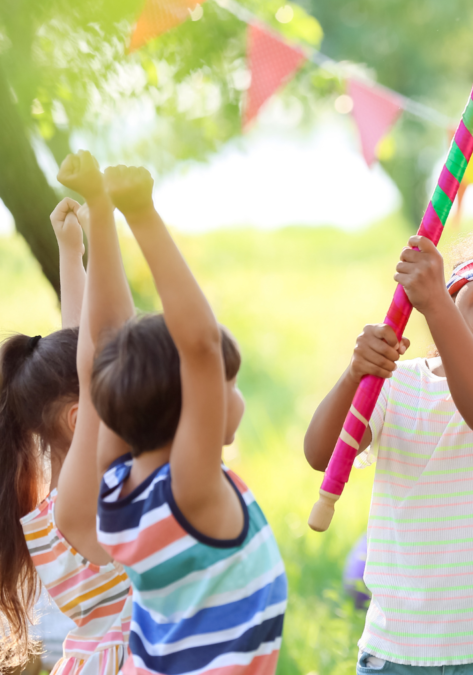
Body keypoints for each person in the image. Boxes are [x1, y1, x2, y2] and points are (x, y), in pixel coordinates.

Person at [305, 223, 473, 673]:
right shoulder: (397, 382)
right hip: (394, 649)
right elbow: (322, 454)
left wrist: (434, 305)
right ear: (460, 286)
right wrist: (356, 374)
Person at [53, 156, 287, 675]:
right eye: (227, 384)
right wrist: (140, 214)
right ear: (193, 410)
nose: (232, 392)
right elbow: (200, 346)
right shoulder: (192, 495)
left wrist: (99, 208)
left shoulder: (117, 493)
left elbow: (101, 349)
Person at [3, 193, 132, 675]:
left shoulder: (59, 498)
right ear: (82, 418)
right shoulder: (88, 495)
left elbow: (84, 349)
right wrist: (103, 227)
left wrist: (71, 252)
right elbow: (105, 341)